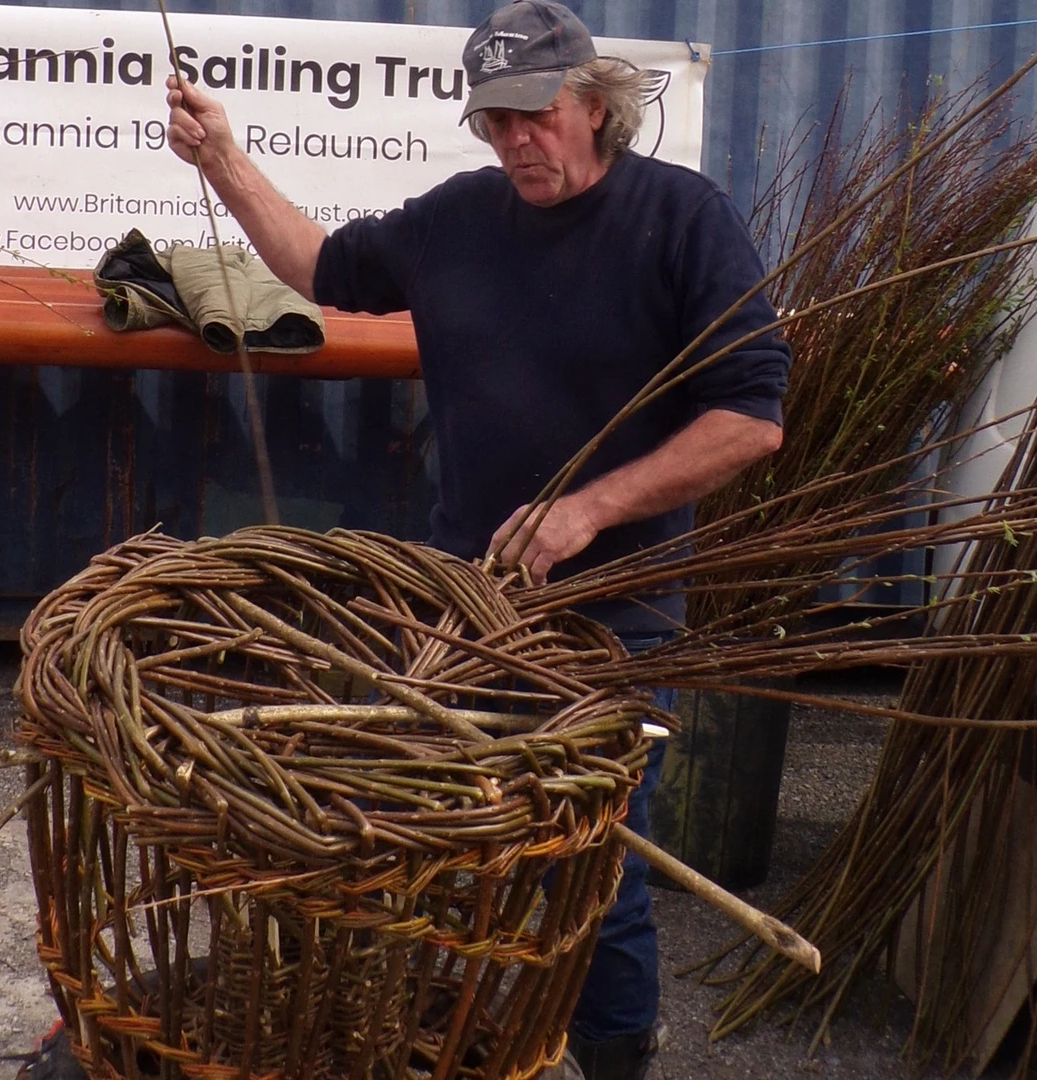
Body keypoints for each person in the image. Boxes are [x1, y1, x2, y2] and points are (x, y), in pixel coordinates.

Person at [166, 3, 791, 1078]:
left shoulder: (683, 219)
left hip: (618, 621)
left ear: (594, 105)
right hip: (468, 604)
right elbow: (320, 269)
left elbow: (752, 418)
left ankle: (612, 1057)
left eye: (533, 118)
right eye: (493, 123)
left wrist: (590, 508)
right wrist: (222, 158)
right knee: (438, 835)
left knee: (591, 865)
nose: (512, 144)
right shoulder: (458, 218)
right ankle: (447, 1043)